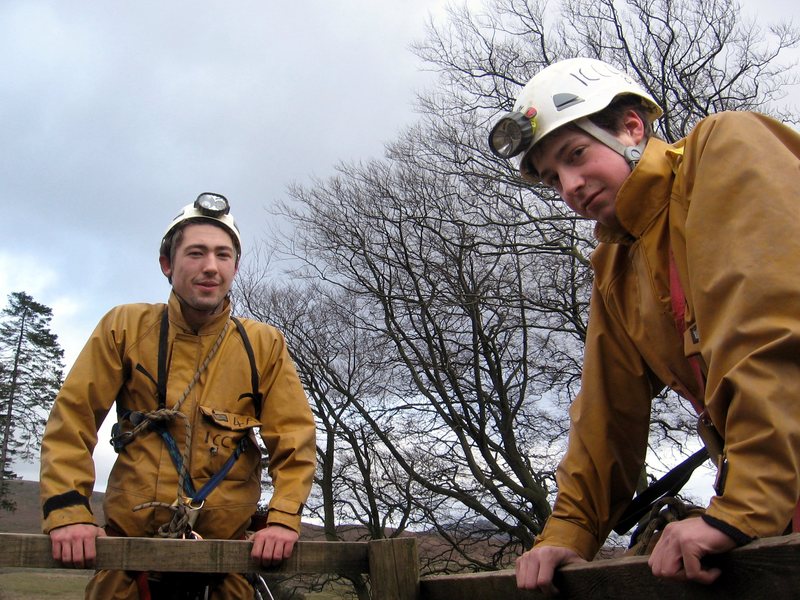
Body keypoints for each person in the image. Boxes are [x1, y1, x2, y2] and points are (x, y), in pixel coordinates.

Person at [488, 57, 800, 593]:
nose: (569, 185)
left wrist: (742, 506)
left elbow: (770, 329)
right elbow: (607, 410)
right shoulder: (617, 264)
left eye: (576, 155)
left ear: (633, 126)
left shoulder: (725, 148)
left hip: (769, 484)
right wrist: (570, 531)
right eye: (552, 177)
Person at [39, 193, 317, 599]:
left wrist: (283, 518)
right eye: (196, 253)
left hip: (226, 576)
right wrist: (67, 514)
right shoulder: (125, 327)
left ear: (235, 268)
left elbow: (295, 440)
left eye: (224, 256)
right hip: (128, 575)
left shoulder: (264, 345)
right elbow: (72, 421)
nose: (210, 267)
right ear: (167, 265)